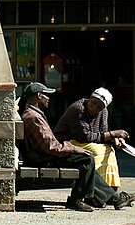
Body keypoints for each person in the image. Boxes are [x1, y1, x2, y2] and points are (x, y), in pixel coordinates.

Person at [19, 81, 135, 212]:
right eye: (46, 95)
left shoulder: (34, 114)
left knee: (86, 159)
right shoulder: (34, 117)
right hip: (44, 158)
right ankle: (77, 200)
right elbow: (51, 147)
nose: (48, 98)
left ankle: (113, 198)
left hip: (44, 155)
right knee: (86, 159)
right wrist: (72, 148)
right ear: (39, 96)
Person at [54, 87, 128, 189]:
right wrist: (113, 134)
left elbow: (103, 133)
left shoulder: (103, 112)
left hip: (86, 141)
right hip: (67, 142)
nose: (94, 107)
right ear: (90, 99)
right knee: (96, 151)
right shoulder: (78, 109)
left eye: (99, 107)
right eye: (92, 103)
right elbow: (85, 137)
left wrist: (114, 139)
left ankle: (110, 188)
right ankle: (93, 190)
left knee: (110, 151)